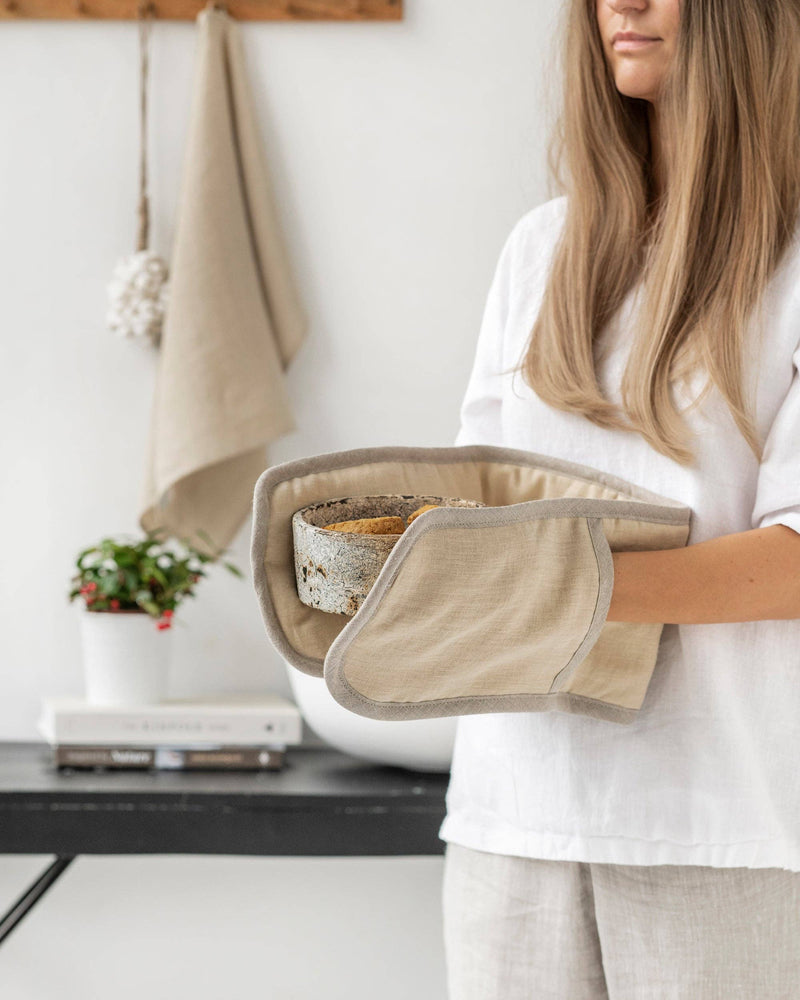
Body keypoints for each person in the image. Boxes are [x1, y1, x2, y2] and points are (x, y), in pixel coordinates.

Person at [439, 0, 800, 997]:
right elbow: (474, 500)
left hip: (728, 829)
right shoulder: (540, 250)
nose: (621, 6)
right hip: (513, 819)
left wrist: (549, 588)